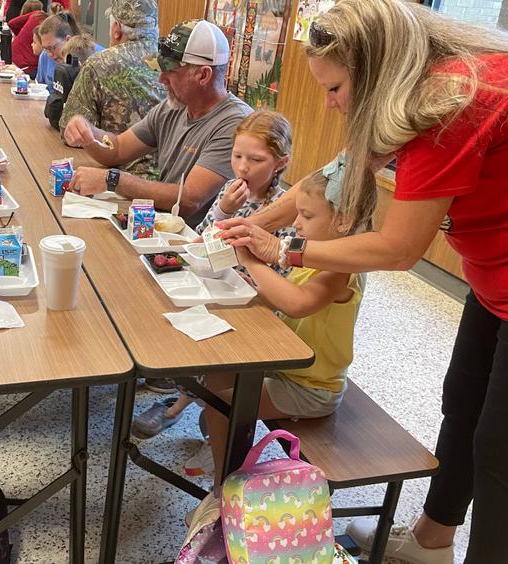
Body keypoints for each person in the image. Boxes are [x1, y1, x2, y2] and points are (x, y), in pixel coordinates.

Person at [216, 1, 508, 561]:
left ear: (375, 72)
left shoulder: (448, 107)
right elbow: (333, 173)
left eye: (334, 88)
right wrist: (254, 223)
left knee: (500, 447)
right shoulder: (408, 91)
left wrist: (286, 248)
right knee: (463, 401)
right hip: (493, 283)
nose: (328, 104)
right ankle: (432, 541)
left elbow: (398, 249)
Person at [131, 112, 296, 476]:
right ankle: (193, 401)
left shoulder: (286, 209)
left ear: (280, 162)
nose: (243, 167)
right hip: (219, 288)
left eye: (256, 160)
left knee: (218, 353)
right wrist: (223, 209)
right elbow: (201, 240)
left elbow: (280, 274)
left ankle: (204, 423)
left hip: (254, 306)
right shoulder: (230, 193)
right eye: (238, 156)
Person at [207, 155, 370, 486]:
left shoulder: (342, 267)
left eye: (306, 215)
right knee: (217, 367)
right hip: (287, 366)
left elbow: (297, 304)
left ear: (344, 221)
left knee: (222, 405)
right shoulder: (315, 249)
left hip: (311, 387)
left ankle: (225, 489)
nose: (295, 223)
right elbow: (281, 295)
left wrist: (251, 263)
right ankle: (224, 453)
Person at [64, 19, 252, 229]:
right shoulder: (173, 107)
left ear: (203, 75)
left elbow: (189, 200)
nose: (161, 79)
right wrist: (88, 134)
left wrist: (114, 180)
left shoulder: (237, 125)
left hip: (196, 247)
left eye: (171, 72)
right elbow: (117, 149)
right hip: (161, 231)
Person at [59, 0, 165, 179]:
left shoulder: (99, 63)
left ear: (116, 29)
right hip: (169, 187)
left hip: (115, 181)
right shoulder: (175, 66)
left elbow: (71, 131)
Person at [37, 11, 102, 94]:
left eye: (51, 48)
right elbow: (39, 90)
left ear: (68, 39)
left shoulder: (97, 56)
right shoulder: (45, 56)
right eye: (46, 49)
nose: (50, 54)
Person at [7, 0, 48, 76]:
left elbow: (11, 23)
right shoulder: (39, 15)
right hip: (27, 65)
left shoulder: (34, 16)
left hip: (14, 58)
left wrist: (21, 35)